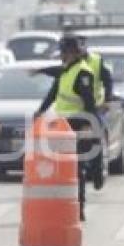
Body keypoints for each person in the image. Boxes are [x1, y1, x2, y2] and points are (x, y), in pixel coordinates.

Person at [33, 36, 99, 221]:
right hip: (62, 125)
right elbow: (53, 94)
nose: (61, 57)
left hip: (77, 124)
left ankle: (79, 207)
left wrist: (88, 125)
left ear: (71, 53)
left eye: (63, 53)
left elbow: (89, 103)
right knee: (60, 166)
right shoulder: (66, 71)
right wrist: (40, 112)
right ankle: (61, 205)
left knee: (75, 168)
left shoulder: (83, 73)